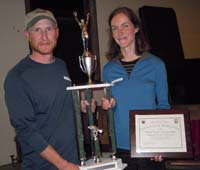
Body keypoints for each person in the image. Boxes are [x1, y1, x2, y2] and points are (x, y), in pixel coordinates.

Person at [4, 8, 94, 170]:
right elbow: (27, 131)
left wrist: (80, 105)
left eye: (48, 29)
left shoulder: (61, 65)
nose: (44, 37)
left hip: (73, 161)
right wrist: (63, 165)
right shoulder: (17, 77)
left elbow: (56, 104)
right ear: (27, 35)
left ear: (57, 33)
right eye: (37, 30)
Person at [101, 7, 170, 170]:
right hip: (120, 146)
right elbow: (111, 105)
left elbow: (163, 105)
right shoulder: (108, 69)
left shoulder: (156, 65)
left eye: (125, 25)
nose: (119, 32)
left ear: (136, 28)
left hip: (149, 146)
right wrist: (108, 106)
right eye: (114, 28)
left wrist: (161, 144)